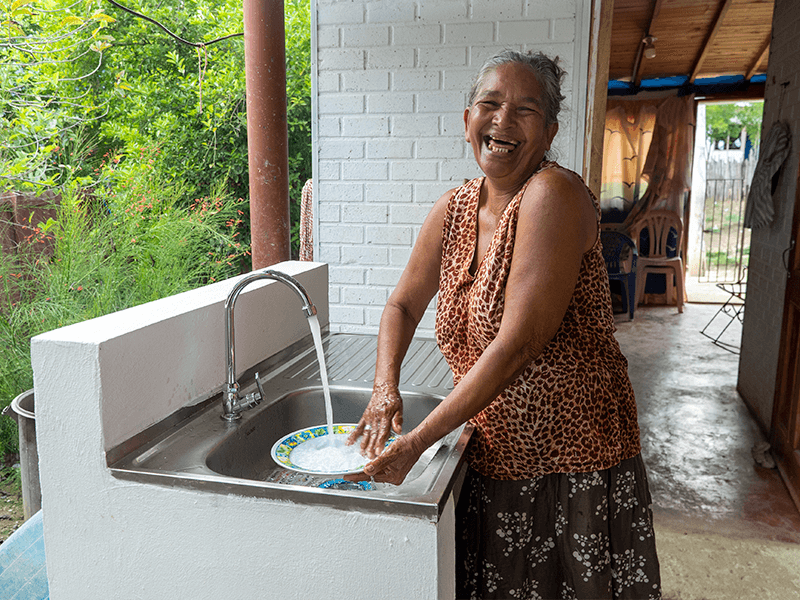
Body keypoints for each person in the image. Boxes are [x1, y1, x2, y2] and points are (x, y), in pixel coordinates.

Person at [346, 49, 662, 600]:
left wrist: (418, 440)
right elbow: (401, 306)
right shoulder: (454, 208)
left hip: (569, 461)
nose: (502, 121)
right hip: (492, 450)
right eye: (489, 104)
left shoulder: (552, 194)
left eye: (524, 110)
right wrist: (382, 389)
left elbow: (516, 344)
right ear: (467, 119)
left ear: (549, 132)